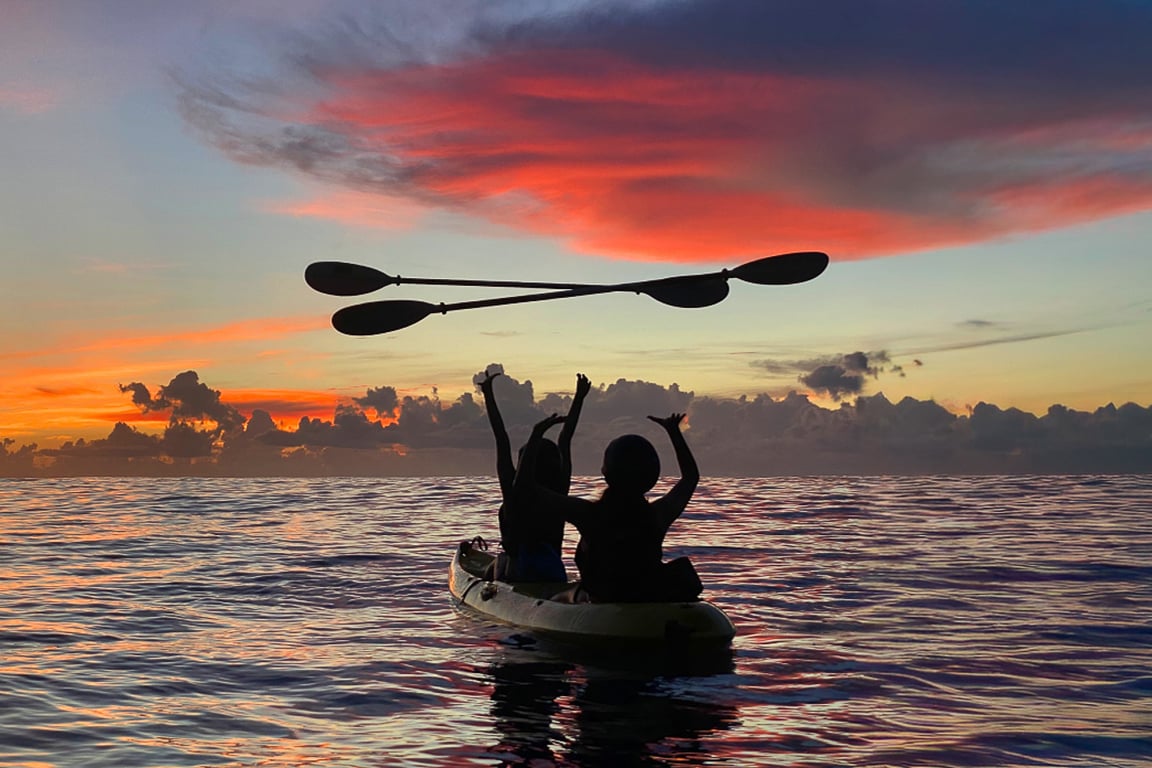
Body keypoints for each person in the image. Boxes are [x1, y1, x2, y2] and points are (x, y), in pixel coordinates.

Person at [514, 412, 703, 603]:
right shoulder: (659, 514)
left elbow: (525, 487)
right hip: (647, 594)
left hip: (601, 599)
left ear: (606, 473)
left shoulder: (588, 513)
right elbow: (690, 478)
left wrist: (536, 436)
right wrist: (674, 432)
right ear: (652, 477)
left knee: (555, 599)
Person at [478, 368, 591, 582]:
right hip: (555, 573)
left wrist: (488, 395)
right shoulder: (559, 492)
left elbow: (501, 439)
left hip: (518, 574)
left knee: (499, 561)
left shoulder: (514, 495)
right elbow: (565, 439)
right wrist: (579, 397)